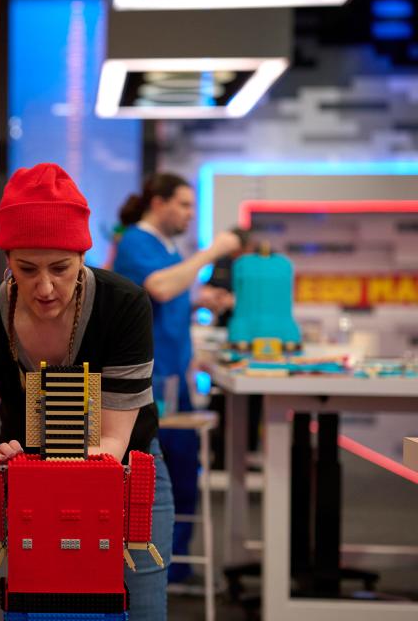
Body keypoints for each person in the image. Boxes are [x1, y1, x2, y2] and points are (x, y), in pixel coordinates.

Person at [0, 163, 172, 620]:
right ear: (6, 258)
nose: (45, 287)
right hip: (29, 485)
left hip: (126, 470)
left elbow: (111, 444)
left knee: (142, 604)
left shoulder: (123, 306)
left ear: (83, 258)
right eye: (26, 269)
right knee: (43, 601)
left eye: (61, 268)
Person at [112, 173, 241, 584]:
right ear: (158, 202)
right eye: (184, 204)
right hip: (149, 385)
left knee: (184, 476)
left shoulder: (167, 247)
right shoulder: (135, 240)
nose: (189, 213)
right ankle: (152, 570)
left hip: (173, 380)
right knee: (157, 480)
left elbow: (167, 298)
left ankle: (174, 566)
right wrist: (212, 253)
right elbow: (161, 288)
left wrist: (201, 299)